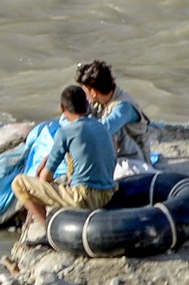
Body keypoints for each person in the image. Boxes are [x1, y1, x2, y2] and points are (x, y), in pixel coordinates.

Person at [11, 85, 117, 243]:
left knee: (19, 183)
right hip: (108, 193)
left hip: (84, 197)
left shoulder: (66, 132)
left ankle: (49, 230)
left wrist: (42, 183)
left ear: (62, 108)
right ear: (86, 104)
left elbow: (45, 178)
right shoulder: (101, 127)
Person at [75, 60, 154, 177]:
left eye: (85, 90)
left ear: (94, 92)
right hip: (119, 155)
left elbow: (104, 129)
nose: (84, 93)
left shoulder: (123, 107)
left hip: (135, 159)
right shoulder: (101, 100)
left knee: (106, 131)